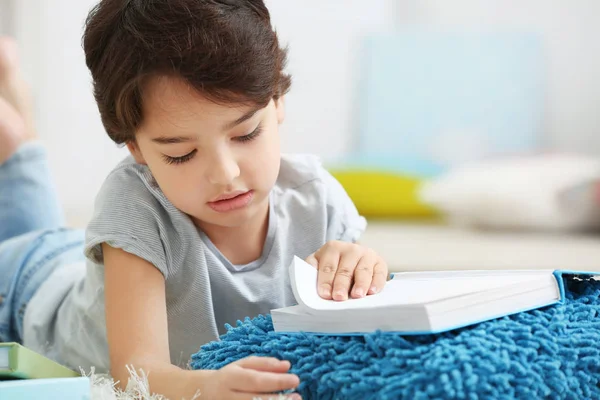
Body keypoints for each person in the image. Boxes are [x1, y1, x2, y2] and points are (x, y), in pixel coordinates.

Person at [0, 1, 389, 398]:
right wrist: (206, 389)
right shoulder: (133, 205)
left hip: (76, 263)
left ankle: (16, 131)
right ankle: (17, 133)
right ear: (136, 148)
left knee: (42, 224)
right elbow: (135, 375)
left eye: (246, 134)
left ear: (277, 101)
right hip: (21, 288)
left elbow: (358, 340)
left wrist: (362, 270)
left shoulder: (317, 199)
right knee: (28, 239)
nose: (226, 174)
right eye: (181, 154)